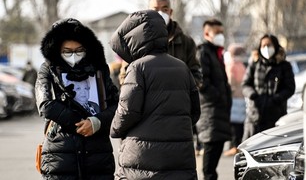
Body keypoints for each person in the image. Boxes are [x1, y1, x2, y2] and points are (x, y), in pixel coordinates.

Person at [109, 10, 201, 179]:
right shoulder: (182, 67)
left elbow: (127, 111)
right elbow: (195, 111)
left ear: (134, 39)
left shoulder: (137, 68)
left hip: (143, 157)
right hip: (180, 156)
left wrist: (114, 129)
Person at [35, 18, 119, 179]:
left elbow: (117, 105)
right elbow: (45, 104)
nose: (74, 55)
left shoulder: (99, 70)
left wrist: (96, 122)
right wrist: (79, 123)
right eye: (67, 51)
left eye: (79, 50)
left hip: (98, 155)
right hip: (60, 153)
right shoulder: (48, 69)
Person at [195, 18, 232, 180]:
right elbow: (202, 81)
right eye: (217, 33)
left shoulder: (216, 53)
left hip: (218, 112)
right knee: (209, 168)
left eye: (222, 33)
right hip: (210, 113)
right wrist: (218, 97)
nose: (221, 36)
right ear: (206, 33)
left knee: (213, 163)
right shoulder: (203, 52)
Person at [241, 34, 295, 141]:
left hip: (276, 114)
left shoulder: (284, 66)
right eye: (263, 45)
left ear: (275, 46)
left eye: (269, 45)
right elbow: (245, 84)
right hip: (255, 115)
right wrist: (253, 96)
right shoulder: (255, 64)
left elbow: (290, 88)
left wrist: (276, 99)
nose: (266, 48)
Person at [223, 43, 247, 156]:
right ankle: (238, 144)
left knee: (233, 124)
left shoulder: (231, 66)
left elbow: (230, 83)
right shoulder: (241, 65)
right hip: (241, 97)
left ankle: (234, 146)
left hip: (233, 98)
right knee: (240, 124)